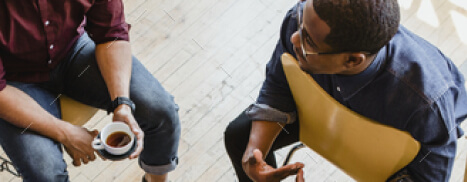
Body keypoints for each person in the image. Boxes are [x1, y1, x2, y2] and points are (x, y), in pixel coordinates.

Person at [224, 0, 467, 181]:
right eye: (301, 22)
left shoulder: (426, 103)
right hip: (322, 114)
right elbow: (279, 84)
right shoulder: (304, 22)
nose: (295, 38)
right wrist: (255, 158)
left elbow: (427, 177)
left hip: (379, 152)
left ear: (352, 60)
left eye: (309, 41)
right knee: (239, 135)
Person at [0, 1, 180, 182]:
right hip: (13, 80)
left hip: (71, 49)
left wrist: (122, 103)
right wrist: (65, 133)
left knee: (160, 109)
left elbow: (112, 33)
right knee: (45, 172)